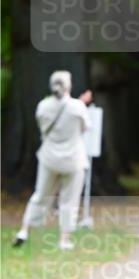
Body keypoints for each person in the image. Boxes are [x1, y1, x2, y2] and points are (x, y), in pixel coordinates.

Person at [13, 71, 92, 250]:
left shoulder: (43, 106)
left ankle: (24, 230)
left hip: (49, 158)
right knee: (69, 200)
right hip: (73, 159)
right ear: (69, 85)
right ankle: (64, 240)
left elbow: (43, 126)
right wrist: (81, 102)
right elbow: (85, 127)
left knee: (40, 195)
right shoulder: (78, 107)